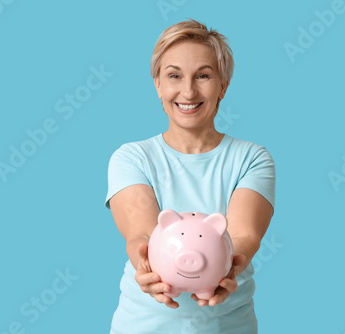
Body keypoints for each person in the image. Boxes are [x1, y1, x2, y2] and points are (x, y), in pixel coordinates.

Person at [105, 19, 275, 334]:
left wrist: (230, 266)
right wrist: (145, 265)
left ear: (223, 85)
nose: (188, 91)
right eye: (174, 76)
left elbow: (244, 235)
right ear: (157, 84)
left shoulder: (252, 158)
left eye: (203, 76)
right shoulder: (131, 158)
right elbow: (141, 235)